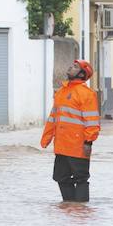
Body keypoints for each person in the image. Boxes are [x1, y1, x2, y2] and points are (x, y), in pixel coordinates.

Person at [41, 59, 101, 202]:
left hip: (78, 146)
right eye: (72, 65)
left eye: (75, 66)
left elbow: (92, 121)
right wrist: (46, 138)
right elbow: (53, 118)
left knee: (80, 178)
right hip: (62, 146)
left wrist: (88, 142)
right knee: (61, 177)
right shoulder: (61, 92)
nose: (70, 67)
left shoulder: (87, 94)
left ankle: (80, 209)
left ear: (81, 74)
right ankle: (69, 206)